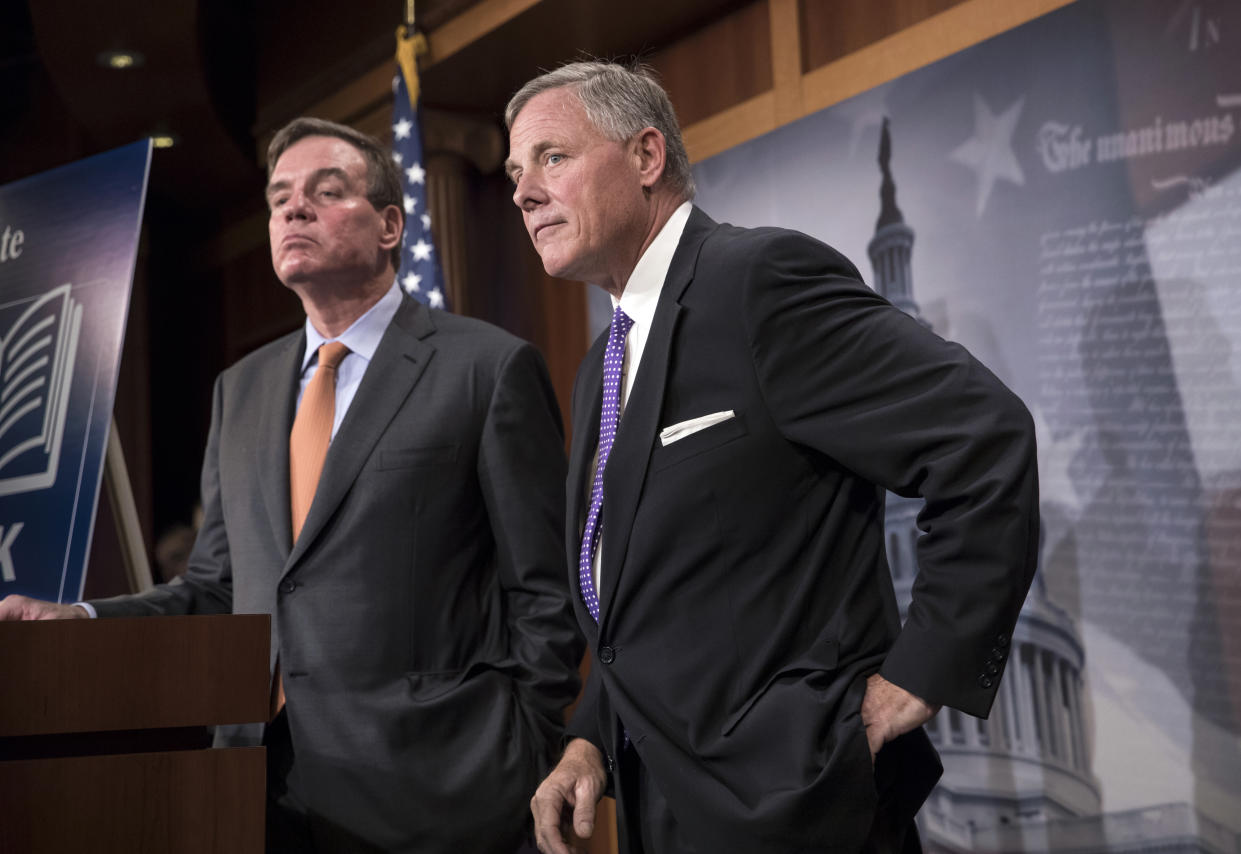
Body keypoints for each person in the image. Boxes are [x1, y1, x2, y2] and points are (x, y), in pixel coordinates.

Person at [0, 117, 583, 854]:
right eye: (279, 199)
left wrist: (521, 741)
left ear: (389, 226)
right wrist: (83, 620)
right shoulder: (238, 391)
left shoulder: (485, 370)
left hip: (439, 789)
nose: (292, 210)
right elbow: (217, 587)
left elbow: (543, 591)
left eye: (326, 191)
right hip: (257, 787)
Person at [504, 62, 1039, 854]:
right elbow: (646, 609)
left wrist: (923, 671)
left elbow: (984, 439)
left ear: (647, 156)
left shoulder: (758, 283)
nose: (522, 192)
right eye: (516, 172)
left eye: (552, 158)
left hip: (802, 807)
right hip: (665, 812)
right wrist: (589, 740)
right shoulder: (598, 369)